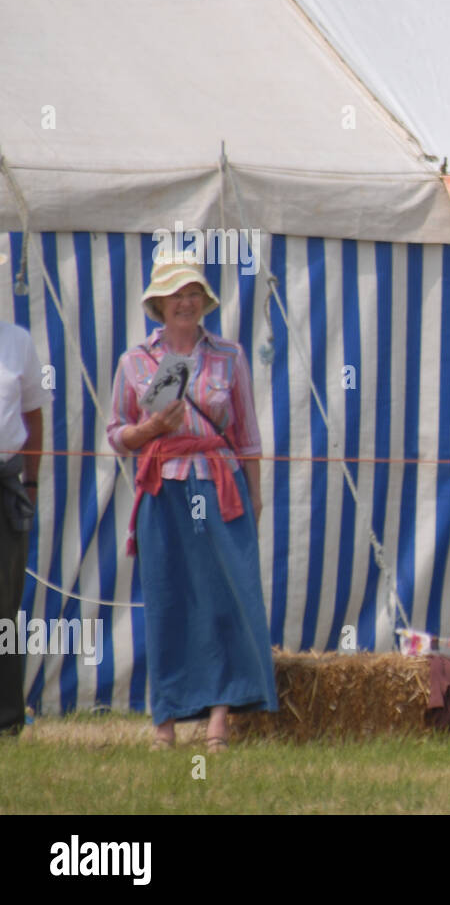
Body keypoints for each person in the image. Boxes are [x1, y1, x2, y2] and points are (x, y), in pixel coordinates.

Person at [106, 253, 276, 751]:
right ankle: (166, 719)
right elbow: (116, 436)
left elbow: (247, 435)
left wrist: (257, 498)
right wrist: (151, 428)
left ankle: (219, 719)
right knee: (168, 598)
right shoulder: (135, 361)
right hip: (163, 488)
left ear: (204, 300)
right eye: (177, 293)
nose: (186, 300)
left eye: (194, 292)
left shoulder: (230, 355)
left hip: (220, 487)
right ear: (158, 303)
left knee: (224, 597)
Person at [1, 320, 49, 738]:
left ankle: (7, 718)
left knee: (4, 605)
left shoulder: (18, 341)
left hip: (5, 483)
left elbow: (34, 416)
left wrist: (30, 483)